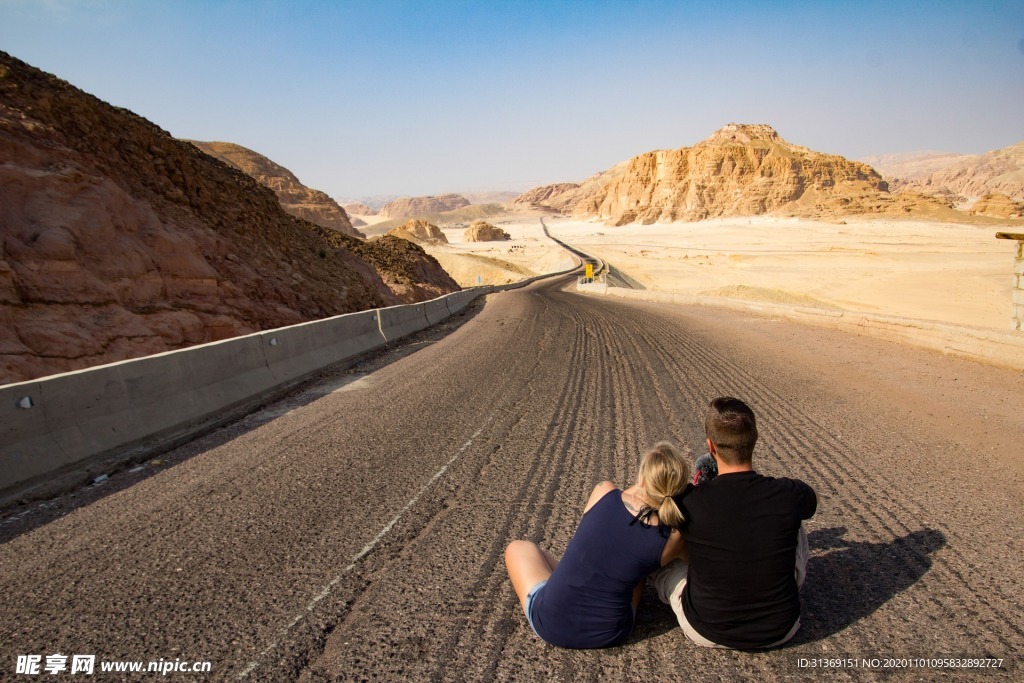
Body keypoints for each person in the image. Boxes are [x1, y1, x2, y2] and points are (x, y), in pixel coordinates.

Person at [651, 397, 816, 649]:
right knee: (795, 518)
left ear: (710, 447)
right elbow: (811, 501)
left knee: (669, 557)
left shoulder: (689, 500)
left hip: (706, 629)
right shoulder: (787, 493)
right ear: (755, 440)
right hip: (782, 628)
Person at [504, 442, 690, 648]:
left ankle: (564, 591)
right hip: (611, 633)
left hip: (550, 624)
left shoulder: (604, 491)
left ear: (642, 478)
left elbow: (623, 505)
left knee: (519, 548)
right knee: (637, 571)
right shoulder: (672, 538)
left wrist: (640, 488)